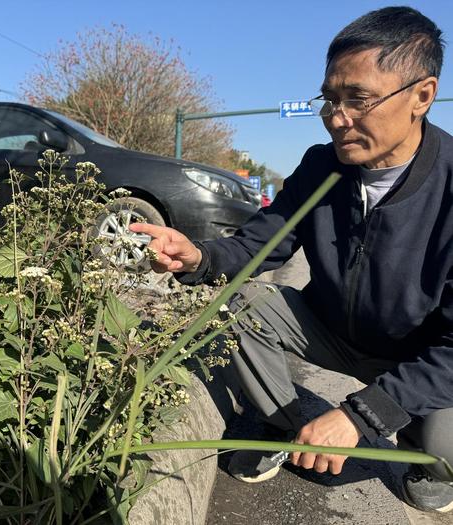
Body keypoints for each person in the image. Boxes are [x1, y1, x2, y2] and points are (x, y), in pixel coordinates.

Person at [129, 6, 453, 514]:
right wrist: (199, 256)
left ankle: (422, 455)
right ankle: (286, 426)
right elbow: (259, 245)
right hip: (333, 332)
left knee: (445, 449)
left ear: (422, 95)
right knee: (240, 299)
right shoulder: (321, 166)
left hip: (420, 356)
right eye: (330, 99)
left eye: (358, 100)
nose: (337, 118)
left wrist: (364, 414)